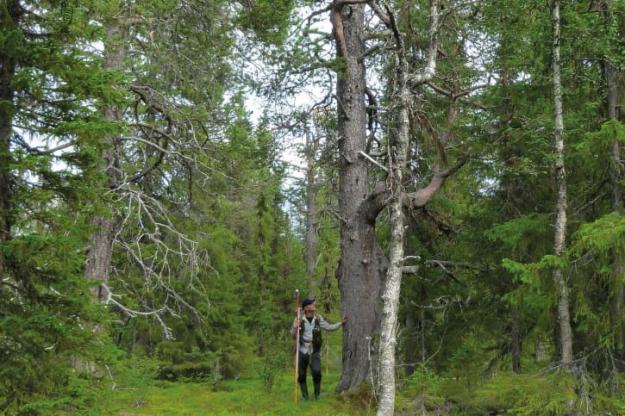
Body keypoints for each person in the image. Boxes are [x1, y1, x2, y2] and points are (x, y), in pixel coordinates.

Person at [291, 298, 347, 400]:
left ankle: (317, 395)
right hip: (302, 350)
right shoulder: (299, 319)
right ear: (307, 308)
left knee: (317, 372)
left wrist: (341, 323)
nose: (314, 305)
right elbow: (293, 335)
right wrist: (295, 327)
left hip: (314, 350)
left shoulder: (318, 318)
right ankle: (305, 396)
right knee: (301, 374)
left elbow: (329, 327)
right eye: (312, 304)